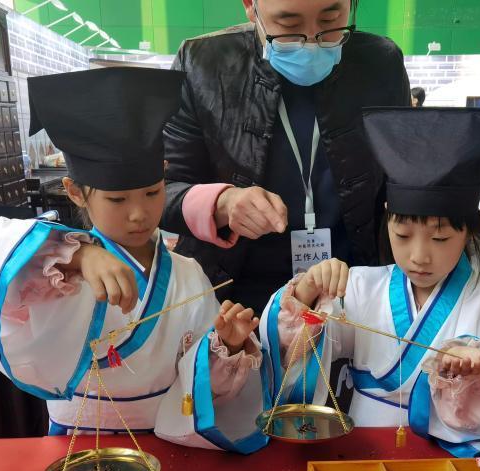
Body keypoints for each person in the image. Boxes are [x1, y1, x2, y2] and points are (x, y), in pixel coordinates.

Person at [0, 67, 268, 454]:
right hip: (78, 442)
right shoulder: (56, 269)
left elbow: (198, 384)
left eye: (152, 193)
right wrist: (79, 255)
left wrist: (228, 346)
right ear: (75, 192)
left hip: (167, 438)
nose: (139, 214)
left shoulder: (188, 274)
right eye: (117, 200)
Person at [260, 107, 480, 456]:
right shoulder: (359, 286)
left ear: (469, 232)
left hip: (449, 452)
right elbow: (294, 355)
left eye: (440, 239)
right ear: (387, 222)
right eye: (402, 235)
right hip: (362, 446)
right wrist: (308, 293)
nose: (419, 256)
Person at [161, 0, 411, 313]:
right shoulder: (203, 64)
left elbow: (402, 181)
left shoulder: (380, 64)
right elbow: (162, 191)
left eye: (331, 20)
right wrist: (222, 203)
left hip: (350, 292)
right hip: (235, 302)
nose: (312, 42)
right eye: (289, 26)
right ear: (250, 6)